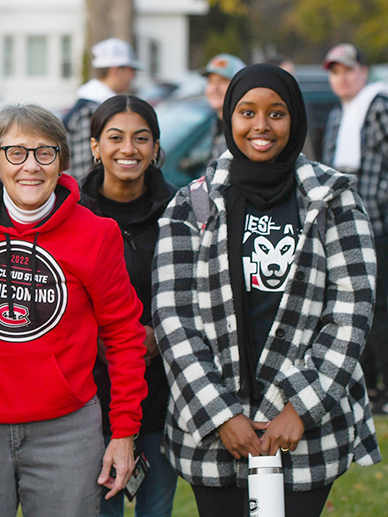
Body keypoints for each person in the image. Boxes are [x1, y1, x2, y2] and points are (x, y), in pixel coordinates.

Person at [153, 63, 381, 517]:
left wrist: (299, 408)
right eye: (247, 112)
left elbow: (352, 309)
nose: (261, 125)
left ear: (295, 119)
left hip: (304, 426)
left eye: (276, 113)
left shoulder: (333, 199)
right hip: (216, 429)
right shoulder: (192, 203)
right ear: (228, 119)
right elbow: (172, 317)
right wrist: (223, 414)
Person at [0, 103, 148, 517]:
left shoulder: (96, 234)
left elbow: (125, 335)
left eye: (44, 152)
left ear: (61, 162)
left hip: (66, 430)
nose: (30, 166)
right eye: (15, 152)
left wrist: (124, 432)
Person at [80, 95, 178, 517]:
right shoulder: (72, 212)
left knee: (155, 509)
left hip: (160, 393)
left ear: (156, 148)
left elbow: (198, 291)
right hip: (89, 397)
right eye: (115, 137)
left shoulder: (182, 210)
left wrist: (162, 333)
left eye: (141, 138)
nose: (128, 149)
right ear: (94, 146)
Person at [321, 43, 388, 413]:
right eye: (335, 72)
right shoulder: (337, 114)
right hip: (344, 229)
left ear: (362, 71)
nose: (342, 78)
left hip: (378, 226)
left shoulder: (379, 107)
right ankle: (366, 387)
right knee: (350, 307)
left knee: (380, 309)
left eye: (348, 70)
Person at [64, 38, 142, 185]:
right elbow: (85, 168)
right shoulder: (90, 110)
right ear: (116, 70)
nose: (133, 76)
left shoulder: (91, 104)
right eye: (131, 70)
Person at [203, 53, 246, 161]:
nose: (214, 89)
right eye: (211, 81)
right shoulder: (216, 123)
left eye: (223, 81)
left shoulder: (243, 131)